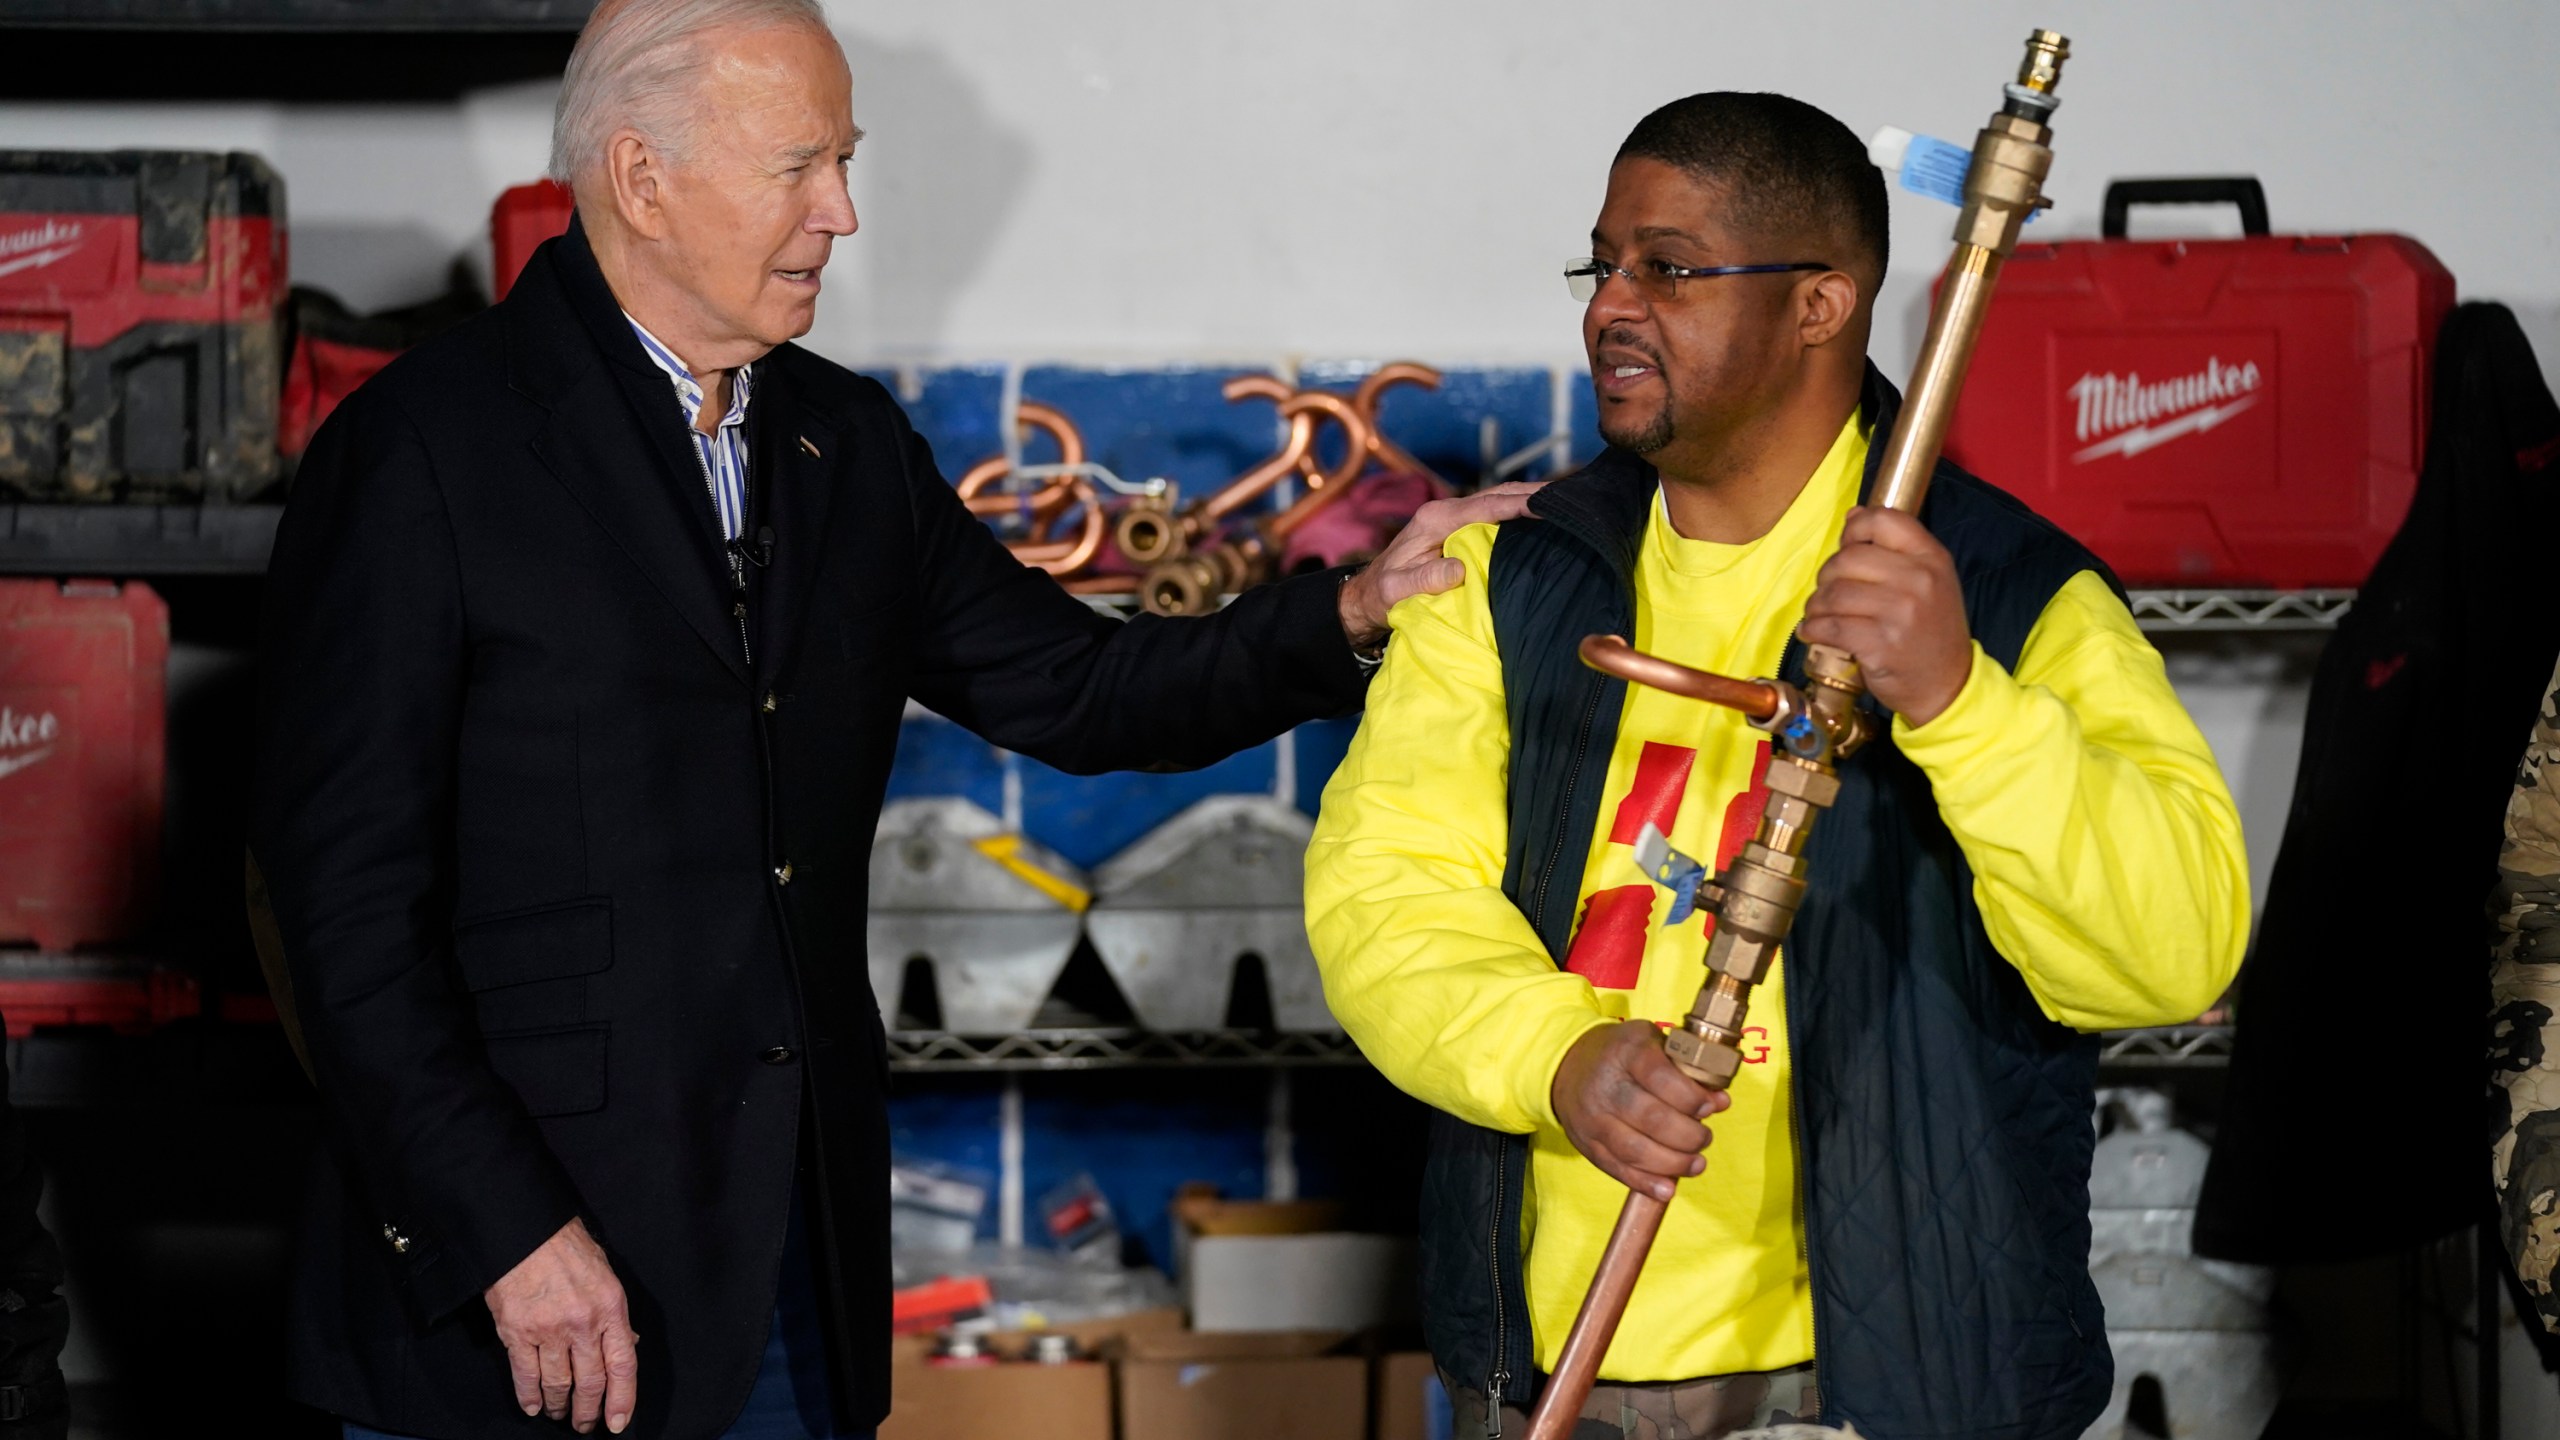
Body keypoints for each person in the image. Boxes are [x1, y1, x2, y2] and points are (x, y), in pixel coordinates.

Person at [245, 2, 1529, 1437]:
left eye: (843, 163)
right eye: (799, 167)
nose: (841, 213)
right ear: (640, 176)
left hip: (791, 1281)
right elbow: (339, 913)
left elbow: (1083, 689)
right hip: (522, 1301)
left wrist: (1352, 609)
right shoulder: (421, 451)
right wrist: (504, 1234)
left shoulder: (841, 444)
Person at [1306, 92, 2249, 1440]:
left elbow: (2171, 956)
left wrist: (1961, 703)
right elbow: (1385, 893)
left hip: (1908, 1378)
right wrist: (1559, 1059)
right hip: (1550, 1369)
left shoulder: (2010, 594)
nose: (1611, 306)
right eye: (1605, 262)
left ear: (1821, 304)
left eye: (1670, 267)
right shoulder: (1506, 584)